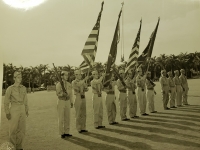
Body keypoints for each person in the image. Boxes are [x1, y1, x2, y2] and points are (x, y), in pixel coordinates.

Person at [4, 71, 29, 150]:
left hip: (22, 108)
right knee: (13, 130)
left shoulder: (23, 88)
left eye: (21, 77)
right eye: (18, 77)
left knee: (21, 129)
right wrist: (7, 112)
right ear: (14, 78)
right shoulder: (10, 89)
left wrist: (26, 109)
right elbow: (6, 102)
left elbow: (25, 100)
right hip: (14, 109)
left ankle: (19, 147)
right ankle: (12, 147)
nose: (20, 79)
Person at [56, 70, 73, 138]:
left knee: (67, 117)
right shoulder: (58, 84)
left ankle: (67, 132)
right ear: (62, 76)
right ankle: (61, 133)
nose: (67, 76)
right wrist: (63, 94)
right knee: (61, 118)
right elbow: (58, 94)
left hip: (67, 101)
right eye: (65, 75)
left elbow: (71, 94)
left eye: (67, 75)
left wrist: (71, 102)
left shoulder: (69, 84)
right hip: (61, 101)